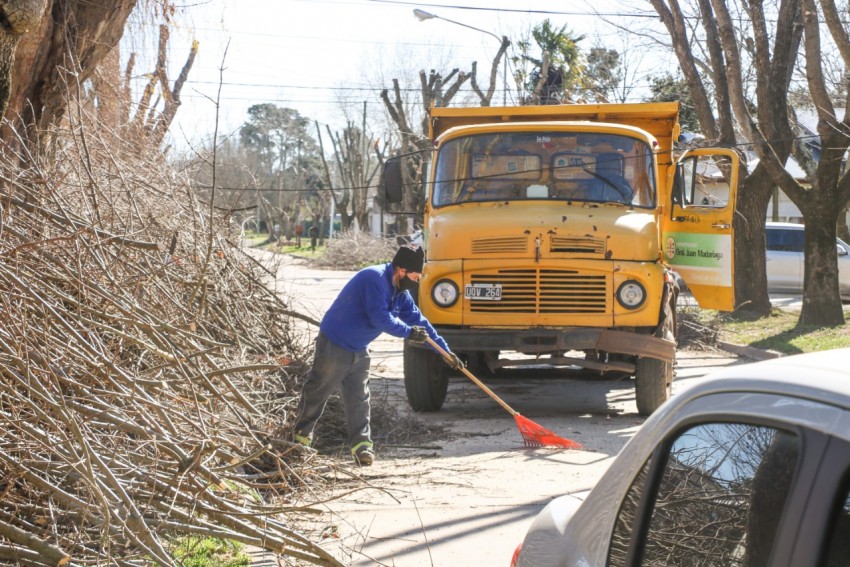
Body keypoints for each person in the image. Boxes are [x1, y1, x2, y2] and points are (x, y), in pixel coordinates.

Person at [292, 244, 463, 466]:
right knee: (317, 392)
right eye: (415, 275)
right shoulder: (374, 278)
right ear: (401, 270)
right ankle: (298, 442)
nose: (417, 280)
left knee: (359, 399)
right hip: (335, 345)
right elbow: (379, 318)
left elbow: (419, 321)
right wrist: (409, 333)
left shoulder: (400, 293)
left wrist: (444, 351)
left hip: (359, 348)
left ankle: (362, 447)